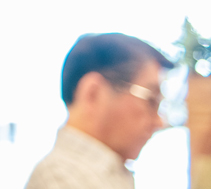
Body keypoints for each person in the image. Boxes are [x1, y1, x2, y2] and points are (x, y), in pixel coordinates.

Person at [25, 33, 175, 189]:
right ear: (93, 93)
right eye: (151, 100)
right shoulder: (60, 178)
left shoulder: (103, 173)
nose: (160, 122)